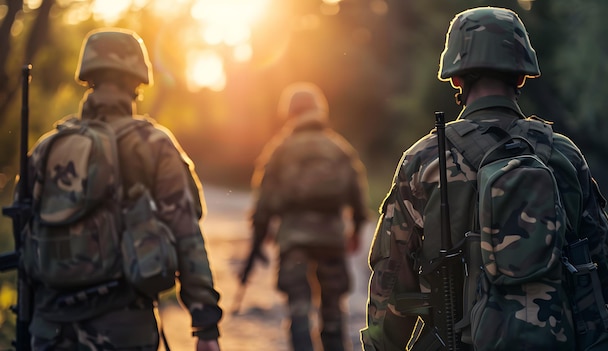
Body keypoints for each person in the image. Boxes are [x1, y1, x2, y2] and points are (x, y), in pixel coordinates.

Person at [360, 6, 608, 351]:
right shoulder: (563, 155)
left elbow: (391, 278)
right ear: (521, 76)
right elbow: (599, 267)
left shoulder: (424, 160)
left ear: (456, 77)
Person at [22, 28, 222, 350]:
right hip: (123, 327)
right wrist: (205, 325)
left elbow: (24, 231)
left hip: (50, 328)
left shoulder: (47, 147)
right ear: (137, 82)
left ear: (88, 77)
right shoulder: (153, 144)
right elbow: (186, 234)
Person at [248, 82, 369, 351]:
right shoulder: (339, 148)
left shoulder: (280, 149)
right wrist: (357, 230)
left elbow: (264, 200)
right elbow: (358, 195)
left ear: (289, 112)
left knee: (299, 310)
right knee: (333, 309)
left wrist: (260, 234)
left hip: (294, 240)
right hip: (332, 239)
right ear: (319, 109)